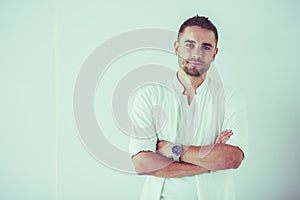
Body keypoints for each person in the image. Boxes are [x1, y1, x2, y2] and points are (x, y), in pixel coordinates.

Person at [129, 15, 248, 200]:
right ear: (177, 48)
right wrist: (211, 161)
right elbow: (142, 164)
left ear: (214, 54)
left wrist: (175, 149)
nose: (196, 54)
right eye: (189, 45)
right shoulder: (149, 96)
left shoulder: (229, 98)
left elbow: (232, 158)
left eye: (206, 47)